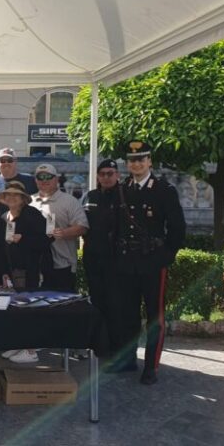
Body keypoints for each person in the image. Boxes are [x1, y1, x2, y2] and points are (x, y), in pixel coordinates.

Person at [115, 140, 186, 385]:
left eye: (141, 159)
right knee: (128, 314)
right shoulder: (123, 188)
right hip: (128, 263)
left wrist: (165, 257)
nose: (136, 164)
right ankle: (128, 359)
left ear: (150, 162)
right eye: (132, 160)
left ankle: (151, 366)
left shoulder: (164, 190)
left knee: (155, 316)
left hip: (153, 263)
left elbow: (177, 229)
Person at [0, 180, 51, 364]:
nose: (12, 197)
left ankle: (30, 349)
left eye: (16, 195)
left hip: (31, 271)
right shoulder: (5, 217)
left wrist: (24, 239)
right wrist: (4, 271)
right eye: (8, 194)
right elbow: (2, 248)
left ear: (22, 199)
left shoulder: (33, 215)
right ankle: (19, 342)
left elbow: (46, 240)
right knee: (16, 309)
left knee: (30, 309)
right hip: (13, 272)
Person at [82, 159, 121, 360]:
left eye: (110, 173)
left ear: (117, 175)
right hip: (93, 258)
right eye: (102, 174)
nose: (106, 177)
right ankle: (97, 345)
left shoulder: (124, 196)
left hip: (116, 261)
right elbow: (81, 223)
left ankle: (113, 348)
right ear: (97, 176)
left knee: (115, 304)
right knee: (96, 302)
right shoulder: (90, 196)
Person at [31, 163, 89, 292]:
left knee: (61, 308)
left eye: (48, 176)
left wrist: (63, 232)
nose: (44, 180)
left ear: (56, 179)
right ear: (35, 180)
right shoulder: (30, 201)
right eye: (40, 177)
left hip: (62, 265)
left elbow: (82, 227)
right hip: (34, 266)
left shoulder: (69, 201)